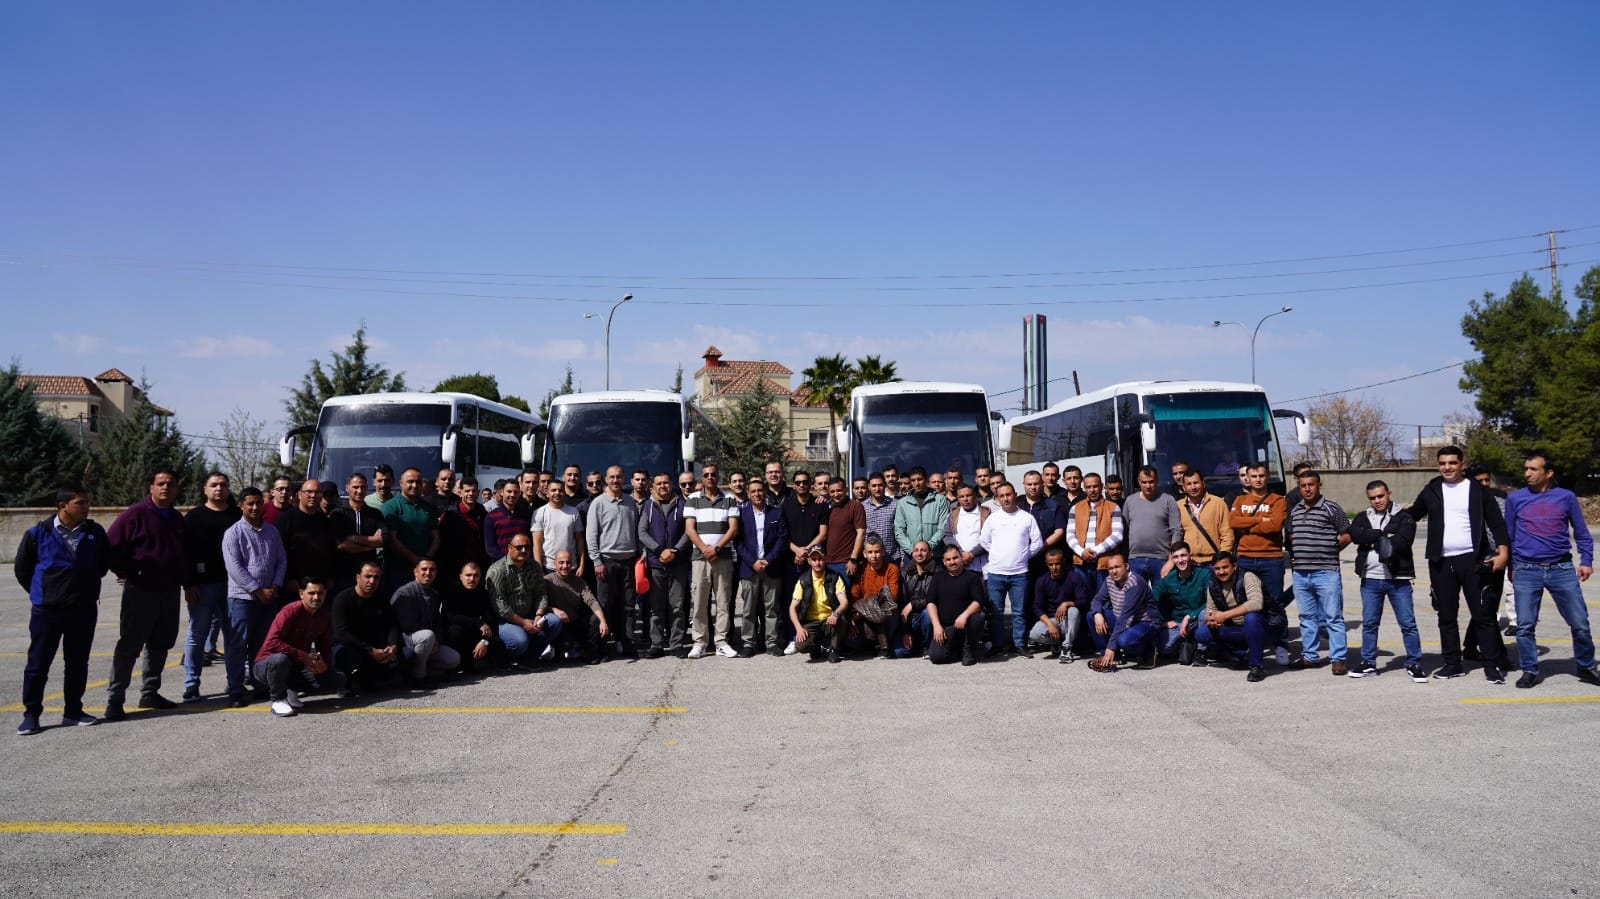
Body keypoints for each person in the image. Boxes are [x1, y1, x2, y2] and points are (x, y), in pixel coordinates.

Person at [1405, 446, 1509, 683]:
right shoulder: (1432, 490)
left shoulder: (1477, 490)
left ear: (1462, 464)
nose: (1447, 467)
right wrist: (1388, 523)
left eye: (1452, 463)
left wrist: (1503, 551)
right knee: (1446, 616)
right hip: (1441, 563)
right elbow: (1413, 514)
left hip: (1473, 561)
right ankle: (1453, 664)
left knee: (1483, 615)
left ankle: (1491, 665)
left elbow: (1496, 523)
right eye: (1442, 463)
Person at [14, 486, 110, 735]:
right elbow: (23, 570)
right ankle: (31, 715)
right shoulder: (37, 533)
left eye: (87, 502)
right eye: (80, 503)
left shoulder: (95, 532)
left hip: (83, 609)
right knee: (38, 664)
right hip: (47, 611)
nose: (87, 507)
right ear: (62, 506)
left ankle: (73, 711)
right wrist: (44, 593)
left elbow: (102, 565)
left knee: (77, 662)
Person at [1504, 452, 1600, 688]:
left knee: (1579, 622)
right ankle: (1529, 670)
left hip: (1561, 568)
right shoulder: (1515, 499)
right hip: (1526, 569)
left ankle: (1586, 666)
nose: (1527, 473)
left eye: (1533, 469)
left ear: (1548, 473)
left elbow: (1581, 532)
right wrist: (1512, 567)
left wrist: (1586, 560)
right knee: (1525, 625)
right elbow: (1509, 536)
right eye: (1526, 469)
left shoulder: (1566, 497)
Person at [103, 469, 189, 721]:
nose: (165, 487)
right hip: (140, 592)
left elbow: (183, 554)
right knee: (130, 645)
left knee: (161, 644)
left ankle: (150, 693)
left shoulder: (176, 518)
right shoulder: (135, 515)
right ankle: (115, 699)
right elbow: (110, 547)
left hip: (169, 592)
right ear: (151, 487)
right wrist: (127, 571)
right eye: (160, 483)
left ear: (176, 488)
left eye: (170, 484)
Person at [1346, 480, 1426, 682]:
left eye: (1380, 496)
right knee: (1370, 624)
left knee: (1408, 624)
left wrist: (1370, 537)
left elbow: (1403, 542)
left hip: (1398, 580)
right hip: (1370, 580)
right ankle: (1368, 662)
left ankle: (1414, 663)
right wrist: (1383, 536)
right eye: (1372, 498)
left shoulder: (1404, 517)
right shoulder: (1363, 516)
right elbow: (1355, 534)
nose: (1377, 501)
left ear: (1389, 493)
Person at [221, 487, 287, 705]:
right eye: (250, 503)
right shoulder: (233, 533)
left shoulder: (272, 531)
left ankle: (260, 685)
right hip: (243, 599)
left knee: (262, 645)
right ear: (241, 505)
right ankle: (236, 689)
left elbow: (281, 560)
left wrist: (275, 586)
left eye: (258, 502)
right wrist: (257, 590)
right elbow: (234, 567)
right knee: (238, 646)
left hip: (269, 598)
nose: (255, 507)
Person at [180, 471, 241, 702]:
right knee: (197, 635)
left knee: (233, 637)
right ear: (205, 489)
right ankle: (191, 684)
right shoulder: (194, 517)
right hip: (202, 587)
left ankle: (235, 684)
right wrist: (189, 584)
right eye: (214, 485)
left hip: (233, 586)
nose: (219, 489)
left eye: (223, 485)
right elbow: (185, 553)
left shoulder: (237, 515)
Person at [1286, 470, 1351, 675]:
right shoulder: (1295, 511)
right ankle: (1310, 656)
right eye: (1303, 485)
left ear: (1319, 485)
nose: (1307, 489)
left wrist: (1331, 551)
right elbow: (1291, 535)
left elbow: (1347, 534)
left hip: (1326, 572)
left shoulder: (1331, 508)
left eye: (1311, 485)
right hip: (1301, 574)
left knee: (1333, 617)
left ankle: (1338, 659)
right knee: (1306, 618)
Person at [253, 578, 343, 717]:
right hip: (267, 665)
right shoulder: (289, 611)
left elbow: (325, 646)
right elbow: (272, 642)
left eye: (320, 593)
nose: (316, 597)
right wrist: (304, 656)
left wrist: (324, 665)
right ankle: (278, 700)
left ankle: (291, 690)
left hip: (297, 665)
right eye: (311, 593)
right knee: (280, 660)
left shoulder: (324, 616)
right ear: (301, 594)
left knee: (336, 680)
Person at [683, 464, 742, 659]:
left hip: (723, 558)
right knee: (700, 602)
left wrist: (716, 548)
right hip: (700, 559)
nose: (710, 477)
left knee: (724, 602)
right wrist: (705, 549)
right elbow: (690, 530)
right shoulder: (693, 499)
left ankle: (721, 642)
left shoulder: (729, 499)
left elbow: (733, 529)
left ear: (718, 477)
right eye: (706, 474)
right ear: (702, 478)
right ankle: (700, 642)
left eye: (713, 474)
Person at [978, 482, 1043, 654]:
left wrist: (1023, 555)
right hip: (996, 573)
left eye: (1008, 494)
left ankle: (1019, 644)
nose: (1006, 498)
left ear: (1015, 494)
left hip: (1019, 574)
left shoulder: (1027, 518)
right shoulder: (993, 519)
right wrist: (998, 552)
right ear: (997, 499)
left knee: (1019, 611)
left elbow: (1037, 542)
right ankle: (998, 645)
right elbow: (984, 541)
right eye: (1002, 496)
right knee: (996, 612)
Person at [587, 465, 642, 657]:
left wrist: (639, 554)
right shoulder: (598, 503)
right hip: (606, 562)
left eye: (619, 477)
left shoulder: (630, 502)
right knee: (605, 605)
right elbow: (591, 535)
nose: (615, 480)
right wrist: (596, 561)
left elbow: (636, 531)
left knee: (628, 606)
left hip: (629, 562)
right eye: (612, 477)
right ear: (606, 479)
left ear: (624, 479)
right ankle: (600, 648)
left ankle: (626, 644)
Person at [1193, 553, 1272, 682]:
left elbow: (1256, 603)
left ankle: (1257, 667)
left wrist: (1224, 615)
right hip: (1237, 628)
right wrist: (1211, 620)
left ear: (1234, 566)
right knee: (1201, 634)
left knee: (1252, 618)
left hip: (1264, 628)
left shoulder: (1247, 577)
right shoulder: (1213, 583)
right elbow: (1210, 611)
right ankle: (1242, 655)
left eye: (1225, 567)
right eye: (1217, 568)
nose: (1221, 572)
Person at [638, 472, 691, 658]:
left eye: (666, 483)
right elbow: (642, 532)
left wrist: (675, 550)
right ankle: (657, 644)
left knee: (677, 607)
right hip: (656, 564)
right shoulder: (648, 505)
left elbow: (689, 531)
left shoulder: (683, 505)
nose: (663, 486)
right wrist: (660, 550)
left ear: (671, 484)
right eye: (659, 483)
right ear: (653, 487)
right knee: (656, 607)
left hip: (678, 564)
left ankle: (676, 644)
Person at [1228, 462, 1287, 622]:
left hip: (1271, 559)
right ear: (1248, 478)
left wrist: (1246, 527)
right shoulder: (1239, 500)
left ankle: (1278, 636)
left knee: (1275, 602)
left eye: (1261, 476)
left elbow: (1275, 526)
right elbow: (1233, 522)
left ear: (1267, 477)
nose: (1258, 479)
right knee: (1244, 600)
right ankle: (1253, 633)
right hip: (1245, 558)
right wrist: (1260, 519)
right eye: (1254, 476)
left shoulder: (1278, 500)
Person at [330, 562, 402, 693]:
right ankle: (345, 682)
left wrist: (393, 646)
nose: (372, 581)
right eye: (368, 576)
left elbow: (392, 625)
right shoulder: (342, 599)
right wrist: (369, 650)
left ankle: (369, 679)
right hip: (349, 646)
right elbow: (341, 633)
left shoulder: (381, 598)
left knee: (403, 653)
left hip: (374, 646)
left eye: (376, 577)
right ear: (358, 577)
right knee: (348, 656)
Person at [1016, 471, 1067, 656]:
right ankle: (1028, 637)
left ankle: (1051, 638)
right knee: (1025, 599)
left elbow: (1059, 531)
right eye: (1029, 484)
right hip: (1021, 561)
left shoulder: (1053, 506)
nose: (1033, 487)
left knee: (1047, 598)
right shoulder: (1017, 505)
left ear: (1042, 484)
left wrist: (1039, 547)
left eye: (1036, 483)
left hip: (1045, 560)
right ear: (1023, 484)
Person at [487, 535, 559, 665]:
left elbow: (541, 593)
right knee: (520, 642)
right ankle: (502, 657)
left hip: (531, 614)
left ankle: (529, 658)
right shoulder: (497, 570)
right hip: (506, 620)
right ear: (509, 548)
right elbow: (500, 606)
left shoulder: (535, 566)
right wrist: (522, 623)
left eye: (527, 547)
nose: (524, 550)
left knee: (555, 622)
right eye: (519, 547)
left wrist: (539, 615)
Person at [737, 479, 789, 657]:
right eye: (753, 491)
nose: (757, 494)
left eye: (760, 490)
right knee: (748, 609)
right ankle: (748, 642)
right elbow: (738, 542)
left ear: (765, 492)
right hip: (749, 568)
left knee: (772, 608)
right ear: (748, 494)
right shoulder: (741, 514)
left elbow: (782, 539)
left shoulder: (776, 513)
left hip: (771, 567)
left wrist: (768, 560)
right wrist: (752, 561)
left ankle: (771, 642)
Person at [389, 559, 461, 684]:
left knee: (454, 659)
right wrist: (431, 639)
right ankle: (418, 677)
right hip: (404, 642)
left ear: (436, 573)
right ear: (415, 572)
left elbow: (437, 622)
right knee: (427, 635)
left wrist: (437, 640)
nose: (428, 573)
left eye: (432, 570)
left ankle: (412, 669)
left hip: (426, 642)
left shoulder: (434, 594)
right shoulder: (404, 593)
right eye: (424, 569)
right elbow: (407, 625)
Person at [779, 471, 829, 653]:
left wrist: (807, 551)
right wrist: (796, 550)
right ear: (793, 485)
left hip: (814, 559)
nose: (802, 485)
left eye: (805, 482)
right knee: (792, 599)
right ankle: (793, 637)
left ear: (810, 484)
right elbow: (782, 534)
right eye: (798, 482)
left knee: (815, 598)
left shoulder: (820, 505)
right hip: (791, 560)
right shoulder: (786, 506)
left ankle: (818, 638)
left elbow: (823, 533)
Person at [1088, 552, 1160, 672]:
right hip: (1122, 618)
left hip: (1145, 623)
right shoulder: (1109, 580)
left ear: (1126, 566)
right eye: (1110, 568)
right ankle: (1109, 656)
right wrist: (1097, 614)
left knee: (1124, 641)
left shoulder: (1135, 583)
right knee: (1091, 616)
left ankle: (1149, 652)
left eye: (1117, 567)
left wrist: (1111, 646)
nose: (1114, 571)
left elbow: (1125, 618)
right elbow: (1097, 599)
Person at [922, 544, 987, 666]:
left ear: (961, 558)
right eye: (948, 559)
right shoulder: (938, 577)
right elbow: (930, 602)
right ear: (944, 562)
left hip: (965, 626)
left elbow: (978, 602)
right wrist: (936, 626)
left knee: (978, 617)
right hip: (946, 628)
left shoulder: (972, 577)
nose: (952, 562)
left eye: (955, 558)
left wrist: (964, 615)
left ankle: (969, 649)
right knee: (937, 658)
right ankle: (957, 651)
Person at [543, 550, 610, 664]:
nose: (565, 566)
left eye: (568, 562)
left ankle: (590, 651)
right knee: (564, 646)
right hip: (559, 624)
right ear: (555, 564)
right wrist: (553, 609)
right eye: (561, 562)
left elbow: (592, 601)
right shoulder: (547, 581)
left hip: (575, 621)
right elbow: (539, 603)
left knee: (596, 619)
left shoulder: (579, 581)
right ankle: (556, 648)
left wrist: (603, 621)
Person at [1123, 465, 1183, 587]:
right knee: (1137, 596)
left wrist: (1172, 559)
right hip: (1135, 559)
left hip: (1161, 559)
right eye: (1144, 482)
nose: (1148, 486)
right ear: (1138, 481)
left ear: (1157, 480)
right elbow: (1125, 530)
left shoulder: (1168, 500)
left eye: (1151, 482)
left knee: (1161, 596)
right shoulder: (1130, 501)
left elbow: (1177, 531)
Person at [382, 468, 441, 590]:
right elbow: (392, 539)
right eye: (410, 481)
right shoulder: (390, 507)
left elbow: (435, 536)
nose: (415, 485)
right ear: (401, 483)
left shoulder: (428, 508)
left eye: (418, 482)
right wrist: (415, 559)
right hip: (398, 570)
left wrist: (426, 559)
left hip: (424, 571)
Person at [1028, 546, 1090, 663]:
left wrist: (1067, 603)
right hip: (1052, 619)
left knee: (1073, 610)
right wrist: (1050, 625)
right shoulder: (1042, 581)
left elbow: (1084, 600)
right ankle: (1057, 643)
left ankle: (1067, 648)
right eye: (1051, 564)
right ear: (1046, 564)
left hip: (1069, 620)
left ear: (1064, 562)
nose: (1054, 567)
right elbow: (1037, 607)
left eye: (1057, 564)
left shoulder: (1074, 577)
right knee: (1034, 634)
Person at [1065, 473, 1122, 596]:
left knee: (1104, 599)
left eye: (1095, 486)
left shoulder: (1113, 507)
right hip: (1081, 564)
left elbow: (1117, 536)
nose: (1092, 490)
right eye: (1088, 487)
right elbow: (1069, 535)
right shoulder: (1075, 508)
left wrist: (1095, 552)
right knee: (1083, 598)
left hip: (1104, 563)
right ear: (1084, 488)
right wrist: (1081, 552)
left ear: (1101, 486)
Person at [1153, 542, 1209, 664]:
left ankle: (1201, 652)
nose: (1180, 560)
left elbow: (1211, 602)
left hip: (1198, 620)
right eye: (1176, 557)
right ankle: (1189, 642)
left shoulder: (1204, 574)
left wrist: (1190, 616)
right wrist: (1163, 621)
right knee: (1164, 648)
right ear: (1172, 560)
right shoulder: (1169, 578)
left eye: (1183, 555)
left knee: (1205, 613)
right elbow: (1153, 599)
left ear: (1190, 556)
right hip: (1179, 622)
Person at [790, 546, 847, 663]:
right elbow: (792, 607)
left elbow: (844, 602)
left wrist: (835, 614)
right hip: (811, 621)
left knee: (842, 619)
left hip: (829, 620)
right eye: (814, 559)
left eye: (820, 559)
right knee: (801, 646)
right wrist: (798, 628)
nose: (817, 562)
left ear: (825, 559)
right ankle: (816, 647)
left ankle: (834, 649)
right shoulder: (803, 580)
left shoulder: (835, 577)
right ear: (809, 561)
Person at [330, 472, 384, 596]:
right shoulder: (337, 514)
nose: (359, 491)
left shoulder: (375, 514)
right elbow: (341, 545)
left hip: (369, 575)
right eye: (355, 487)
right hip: (344, 573)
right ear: (347, 488)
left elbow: (384, 539)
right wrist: (372, 543)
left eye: (363, 487)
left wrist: (354, 538)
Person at [441, 561, 499, 674]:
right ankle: (457, 665)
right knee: (456, 631)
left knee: (496, 641)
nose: (472, 579)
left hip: (473, 630)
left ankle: (473, 662)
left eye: (475, 575)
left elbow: (490, 619)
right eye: (468, 575)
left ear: (480, 577)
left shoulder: (482, 593)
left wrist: (484, 641)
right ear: (461, 576)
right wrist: (478, 622)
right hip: (454, 632)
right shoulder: (452, 590)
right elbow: (450, 617)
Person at [849, 534, 901, 659]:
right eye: (870, 552)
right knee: (852, 642)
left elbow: (892, 597)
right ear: (864, 553)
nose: (874, 555)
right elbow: (854, 596)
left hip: (886, 615)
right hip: (867, 616)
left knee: (884, 608)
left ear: (882, 552)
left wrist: (862, 612)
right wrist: (855, 615)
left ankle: (884, 647)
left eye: (877, 551)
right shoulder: (861, 569)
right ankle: (875, 644)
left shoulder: (892, 569)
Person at [892, 467, 950, 567]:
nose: (917, 483)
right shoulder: (903, 503)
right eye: (913, 480)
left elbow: (943, 527)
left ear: (926, 480)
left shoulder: (940, 500)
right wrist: (912, 550)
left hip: (934, 555)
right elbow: (899, 531)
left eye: (919, 479)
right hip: (911, 556)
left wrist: (928, 548)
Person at [1177, 470, 1234, 568]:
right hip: (1189, 563)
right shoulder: (1178, 506)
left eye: (1196, 483)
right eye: (1189, 484)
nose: (1193, 487)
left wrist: (1223, 558)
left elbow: (1227, 533)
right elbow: (1176, 535)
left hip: (1214, 562)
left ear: (1203, 484)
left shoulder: (1218, 503)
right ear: (1183, 487)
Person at [436, 476, 487, 583]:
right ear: (460, 492)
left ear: (478, 492)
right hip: (455, 565)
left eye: (474, 491)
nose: (471, 494)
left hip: (477, 564)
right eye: (467, 491)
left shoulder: (483, 512)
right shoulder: (450, 514)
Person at [532, 481, 584, 574]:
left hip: (571, 566)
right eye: (553, 490)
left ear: (564, 492)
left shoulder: (574, 512)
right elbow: (537, 544)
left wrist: (582, 564)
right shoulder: (539, 512)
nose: (557, 493)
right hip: (549, 567)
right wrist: (539, 568)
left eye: (560, 490)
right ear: (547, 493)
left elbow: (580, 540)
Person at [823, 479, 866, 586]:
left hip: (845, 563)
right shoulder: (828, 508)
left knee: (845, 594)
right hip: (827, 562)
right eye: (832, 491)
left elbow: (861, 533)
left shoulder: (855, 506)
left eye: (839, 490)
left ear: (846, 490)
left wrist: (853, 559)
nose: (836, 494)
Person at [945, 485, 989, 575]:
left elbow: (989, 538)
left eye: (968, 495)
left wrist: (972, 554)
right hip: (959, 565)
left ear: (975, 496)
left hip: (982, 566)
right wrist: (960, 553)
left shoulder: (986, 514)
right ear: (958, 498)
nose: (965, 499)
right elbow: (947, 535)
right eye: (962, 496)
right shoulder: (953, 514)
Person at [483, 479, 530, 562]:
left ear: (519, 493)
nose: (512, 495)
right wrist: (506, 561)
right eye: (509, 491)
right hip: (500, 564)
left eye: (515, 492)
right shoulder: (492, 516)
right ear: (502, 492)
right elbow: (490, 547)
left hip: (521, 563)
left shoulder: (524, 516)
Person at [862, 472, 900, 565]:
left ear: (885, 486)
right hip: (871, 559)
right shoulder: (862, 507)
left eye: (880, 485)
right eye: (874, 486)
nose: (877, 489)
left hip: (892, 557)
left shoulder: (895, 504)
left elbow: (901, 530)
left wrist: (902, 556)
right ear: (869, 487)